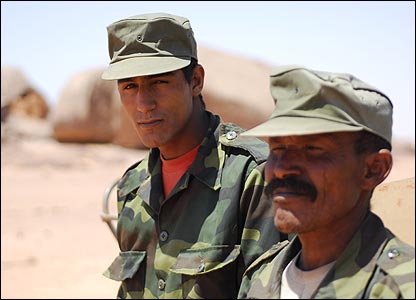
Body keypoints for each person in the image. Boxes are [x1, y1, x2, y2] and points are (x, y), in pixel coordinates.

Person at [101, 12, 286, 299]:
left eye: (158, 82)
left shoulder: (253, 174)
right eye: (129, 86)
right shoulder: (133, 187)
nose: (143, 104)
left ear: (196, 81)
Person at [237, 65, 415, 299]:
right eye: (277, 148)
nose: (281, 169)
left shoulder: (400, 287)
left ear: (373, 169)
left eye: (312, 149)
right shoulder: (263, 275)